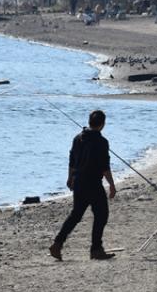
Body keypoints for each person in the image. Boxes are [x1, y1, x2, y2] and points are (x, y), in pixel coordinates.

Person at [50, 110, 117, 261]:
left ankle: (57, 244)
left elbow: (72, 160)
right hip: (93, 183)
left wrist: (70, 178)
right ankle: (96, 249)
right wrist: (112, 185)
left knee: (76, 215)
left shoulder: (78, 138)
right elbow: (105, 167)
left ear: (89, 122)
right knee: (101, 215)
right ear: (102, 124)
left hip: (79, 182)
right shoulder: (102, 142)